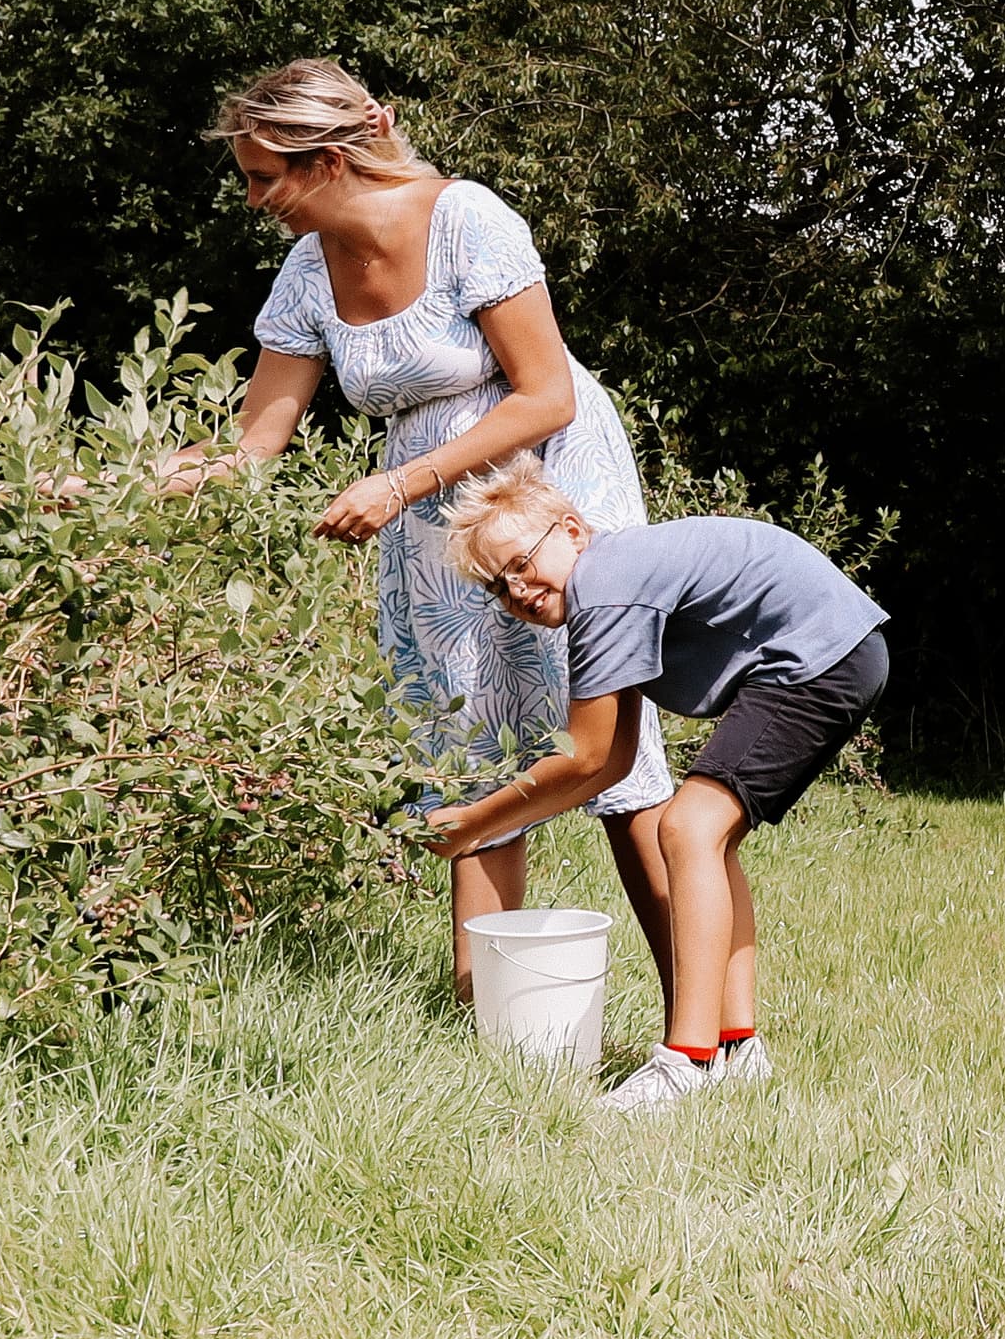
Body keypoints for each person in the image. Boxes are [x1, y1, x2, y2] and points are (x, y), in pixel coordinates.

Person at [162, 59, 679, 1002]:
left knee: (609, 751)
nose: (252, 199)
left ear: (329, 159)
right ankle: (490, 1014)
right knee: (466, 746)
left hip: (545, 484)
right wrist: (125, 482)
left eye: (264, 175)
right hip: (434, 529)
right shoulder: (306, 270)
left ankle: (702, 1021)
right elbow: (253, 445)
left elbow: (547, 392)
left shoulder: (467, 219)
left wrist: (401, 483)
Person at [426, 457, 893, 1116]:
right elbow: (609, 765)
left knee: (688, 826)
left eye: (522, 563)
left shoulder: (605, 584)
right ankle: (735, 1050)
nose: (519, 590)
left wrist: (475, 822)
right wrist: (490, 821)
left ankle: (685, 1063)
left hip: (822, 656)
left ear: (572, 530)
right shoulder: (613, 583)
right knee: (706, 834)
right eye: (499, 587)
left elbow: (585, 755)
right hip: (834, 653)